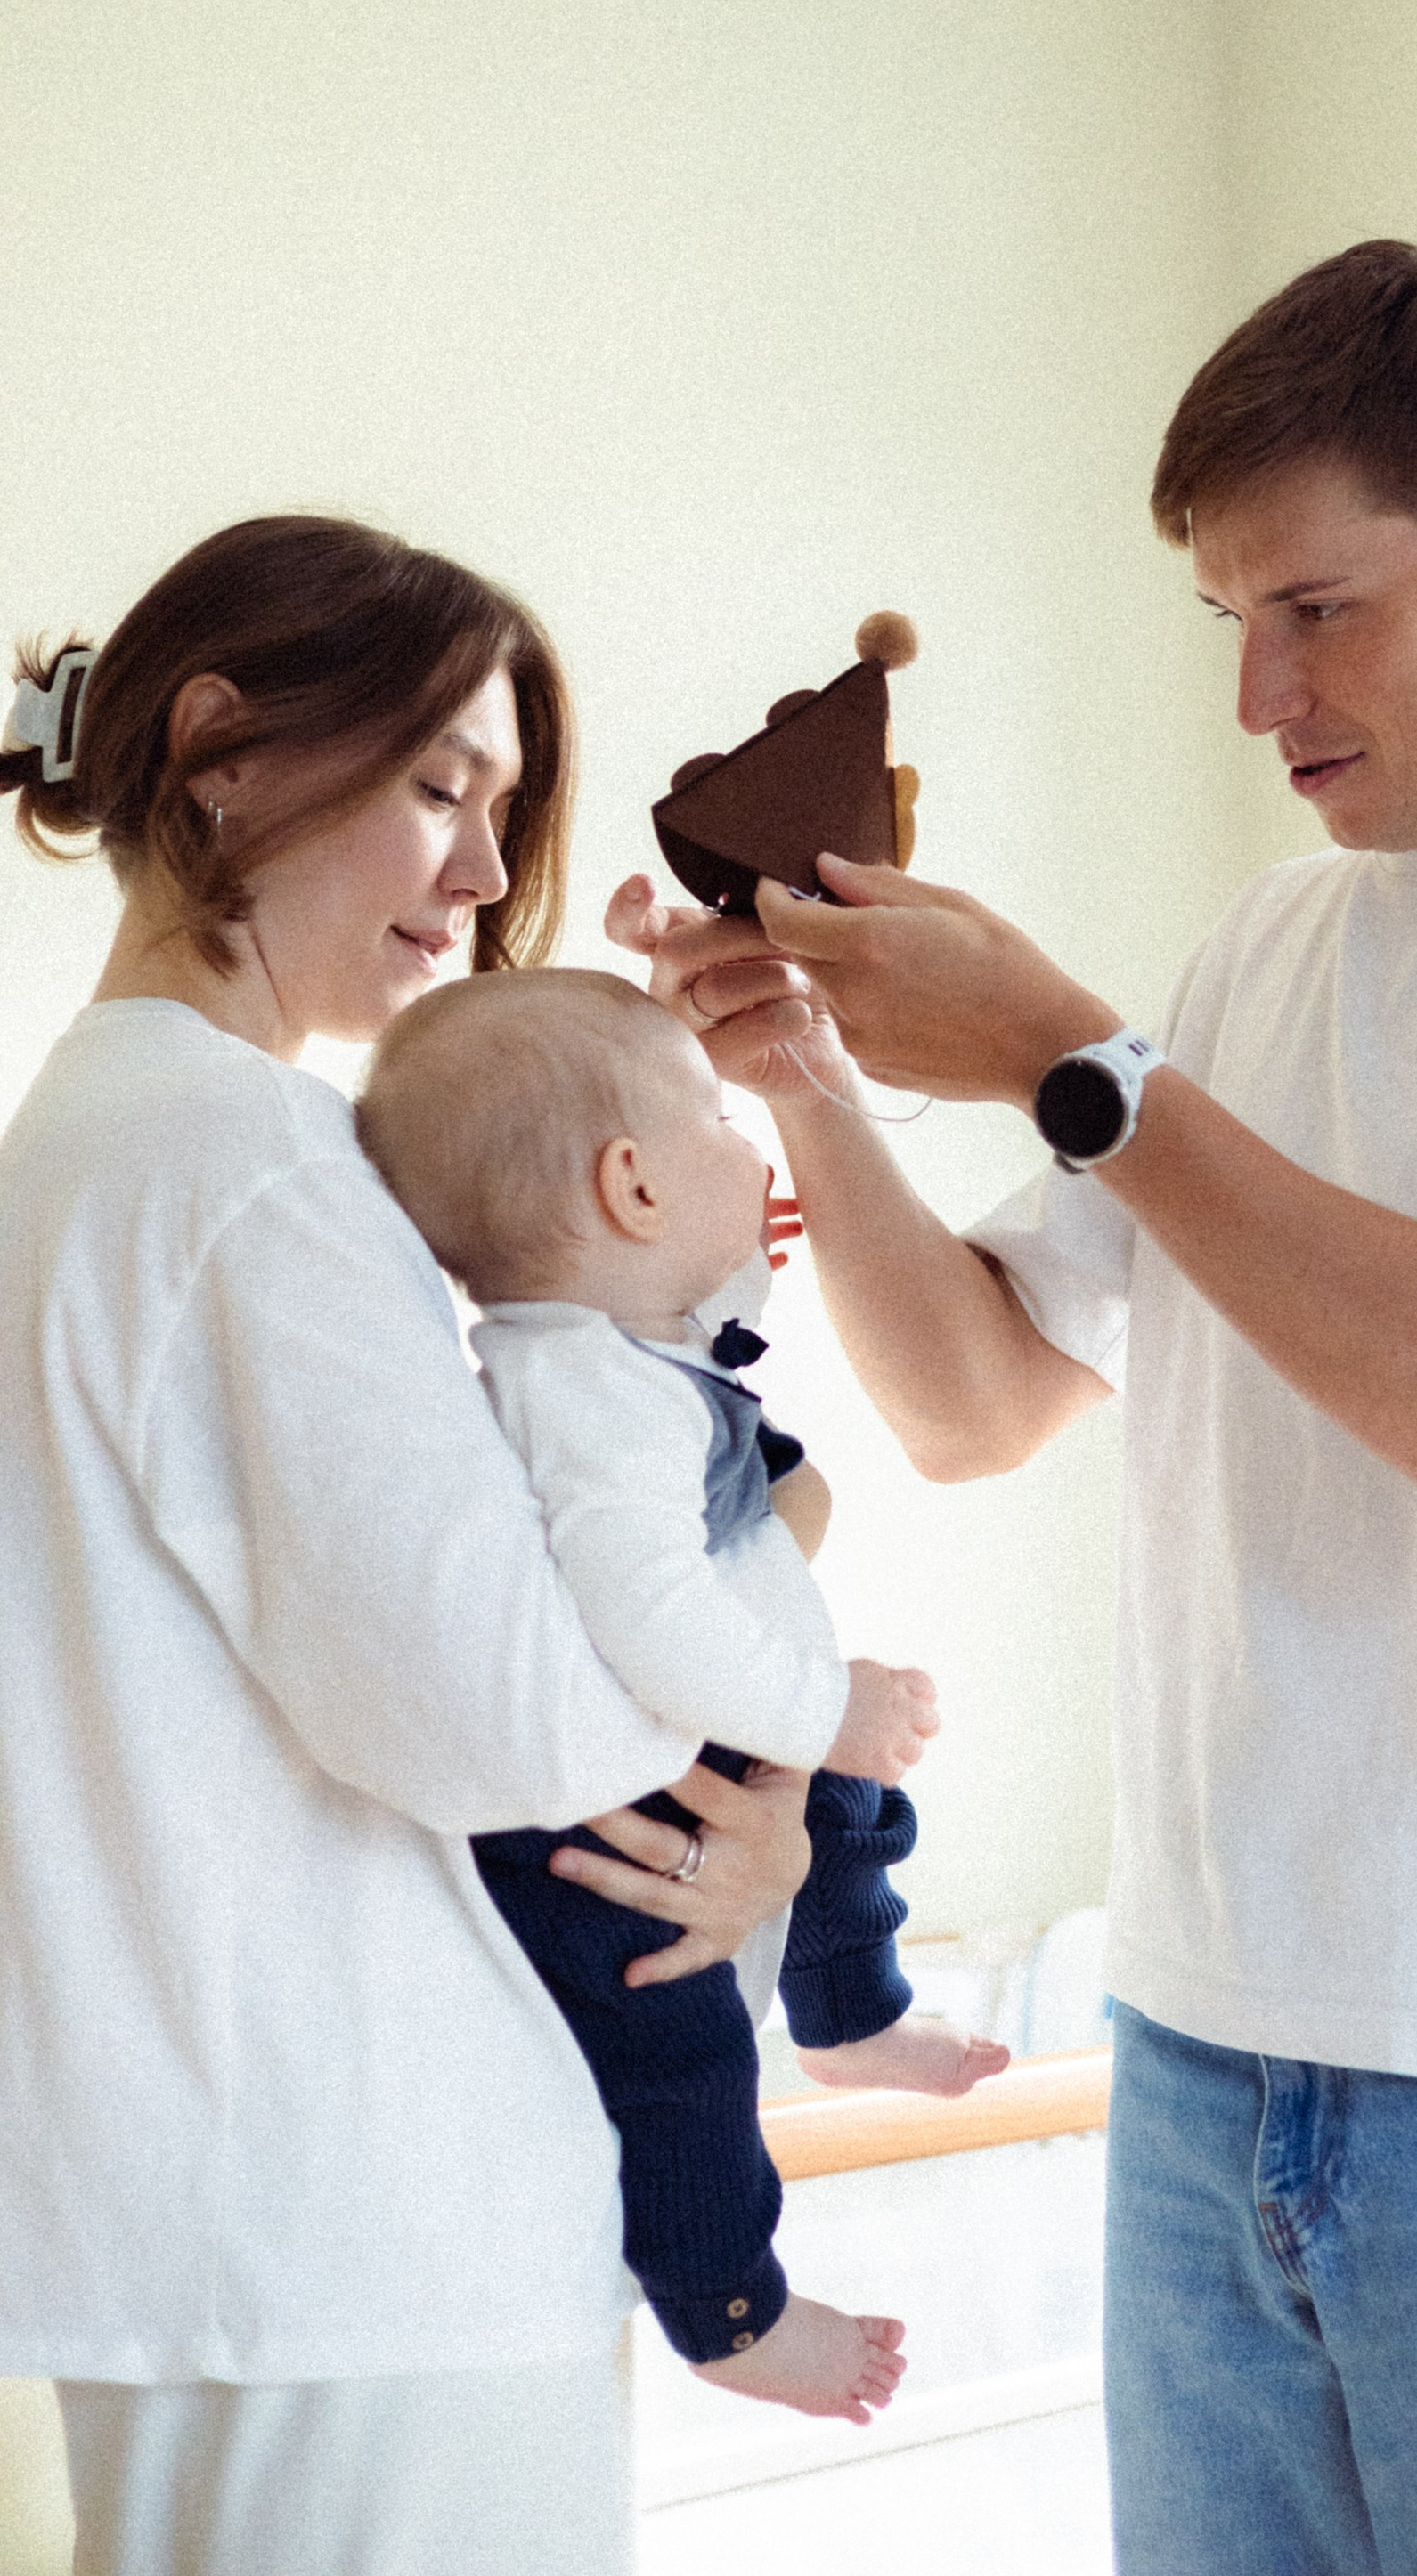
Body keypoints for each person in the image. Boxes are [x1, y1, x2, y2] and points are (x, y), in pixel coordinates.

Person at [612, 241, 1417, 2576]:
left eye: (1314, 610)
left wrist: (1079, 1065)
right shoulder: (1270, 945)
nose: (1254, 695)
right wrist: (815, 1085)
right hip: (1208, 2054)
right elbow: (987, 1396)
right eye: (1228, 617)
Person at [0, 516, 812, 2576]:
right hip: (359, 2240)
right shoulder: (250, 1165)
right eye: (440, 785)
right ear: (220, 755)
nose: (478, 872)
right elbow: (516, 1726)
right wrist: (764, 1614)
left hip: (220, 2216)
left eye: (503, 807)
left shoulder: (82, 1146)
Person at [356, 967, 1009, 2423]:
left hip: (709, 1738)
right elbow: (646, 1611)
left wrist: (736, 1275)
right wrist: (815, 1708)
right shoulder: (595, 1395)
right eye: (719, 1121)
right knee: (685, 2063)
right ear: (634, 1185)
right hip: (617, 1828)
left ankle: (850, 2017)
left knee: (849, 1801)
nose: (748, 1146)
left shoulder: (624, 1358)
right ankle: (729, 2310)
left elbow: (768, 1481)